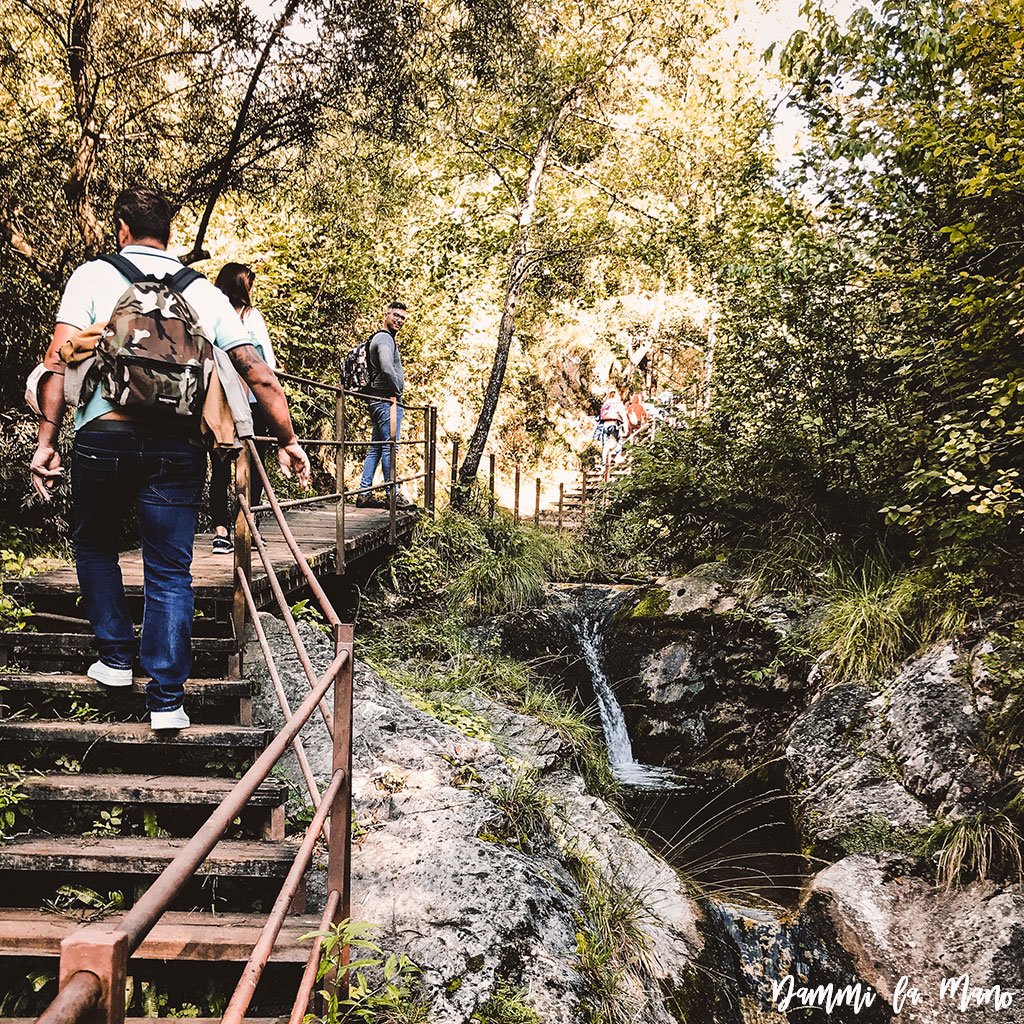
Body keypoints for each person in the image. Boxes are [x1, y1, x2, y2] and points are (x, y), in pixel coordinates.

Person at [29, 185, 310, 732]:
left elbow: (56, 364)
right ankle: (166, 701)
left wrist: (47, 440)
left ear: (122, 229)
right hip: (177, 447)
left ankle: (114, 658)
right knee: (169, 570)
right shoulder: (202, 291)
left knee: (93, 541)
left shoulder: (92, 276)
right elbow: (258, 373)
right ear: (171, 233)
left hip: (102, 435)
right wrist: (288, 440)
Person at [208, 262, 277, 554]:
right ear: (241, 286)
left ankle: (221, 532)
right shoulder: (251, 316)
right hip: (249, 403)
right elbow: (267, 362)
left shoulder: (210, 315)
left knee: (220, 467)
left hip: (217, 402)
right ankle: (247, 526)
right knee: (254, 465)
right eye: (250, 284)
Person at [356, 301, 414, 509]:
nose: (399, 320)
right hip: (387, 401)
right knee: (390, 447)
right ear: (386, 314)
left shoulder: (381, 338)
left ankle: (364, 493)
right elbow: (388, 367)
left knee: (377, 448)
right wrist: (397, 391)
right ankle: (392, 494)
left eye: (402, 318)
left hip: (379, 400)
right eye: (396, 315)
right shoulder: (384, 339)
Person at [597, 388, 627, 467]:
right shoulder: (617, 403)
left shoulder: (605, 404)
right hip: (614, 424)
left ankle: (604, 463)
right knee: (619, 439)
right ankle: (617, 455)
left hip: (604, 425)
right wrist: (626, 428)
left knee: (606, 444)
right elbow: (623, 415)